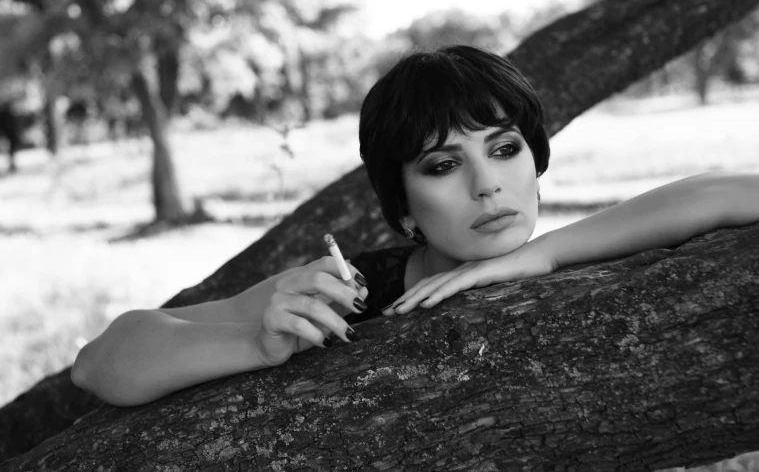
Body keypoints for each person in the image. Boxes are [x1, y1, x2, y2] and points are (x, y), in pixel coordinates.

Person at [71, 45, 759, 407]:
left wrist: (546, 257)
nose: (486, 183)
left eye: (503, 148)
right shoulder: (353, 290)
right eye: (440, 164)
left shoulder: (578, 253)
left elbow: (730, 192)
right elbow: (101, 363)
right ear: (401, 208)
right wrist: (257, 341)